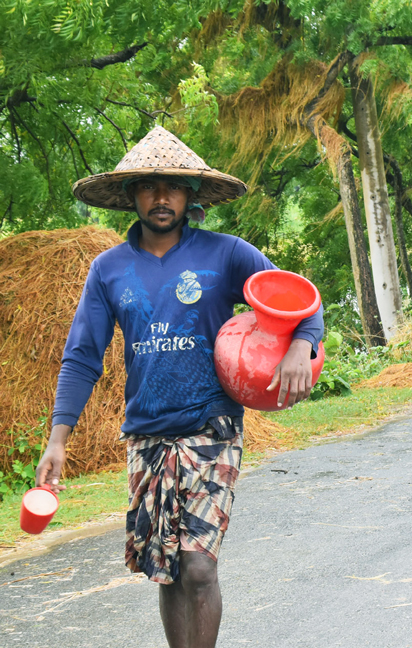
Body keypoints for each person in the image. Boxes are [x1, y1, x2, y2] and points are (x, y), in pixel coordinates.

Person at [35, 126, 324, 648]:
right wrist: (58, 439)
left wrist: (303, 346)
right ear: (131, 196)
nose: (161, 197)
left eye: (173, 186)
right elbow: (82, 356)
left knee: (197, 568)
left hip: (210, 429)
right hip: (147, 434)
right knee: (165, 569)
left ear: (191, 195)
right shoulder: (109, 270)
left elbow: (301, 302)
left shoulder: (227, 254)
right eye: (148, 186)